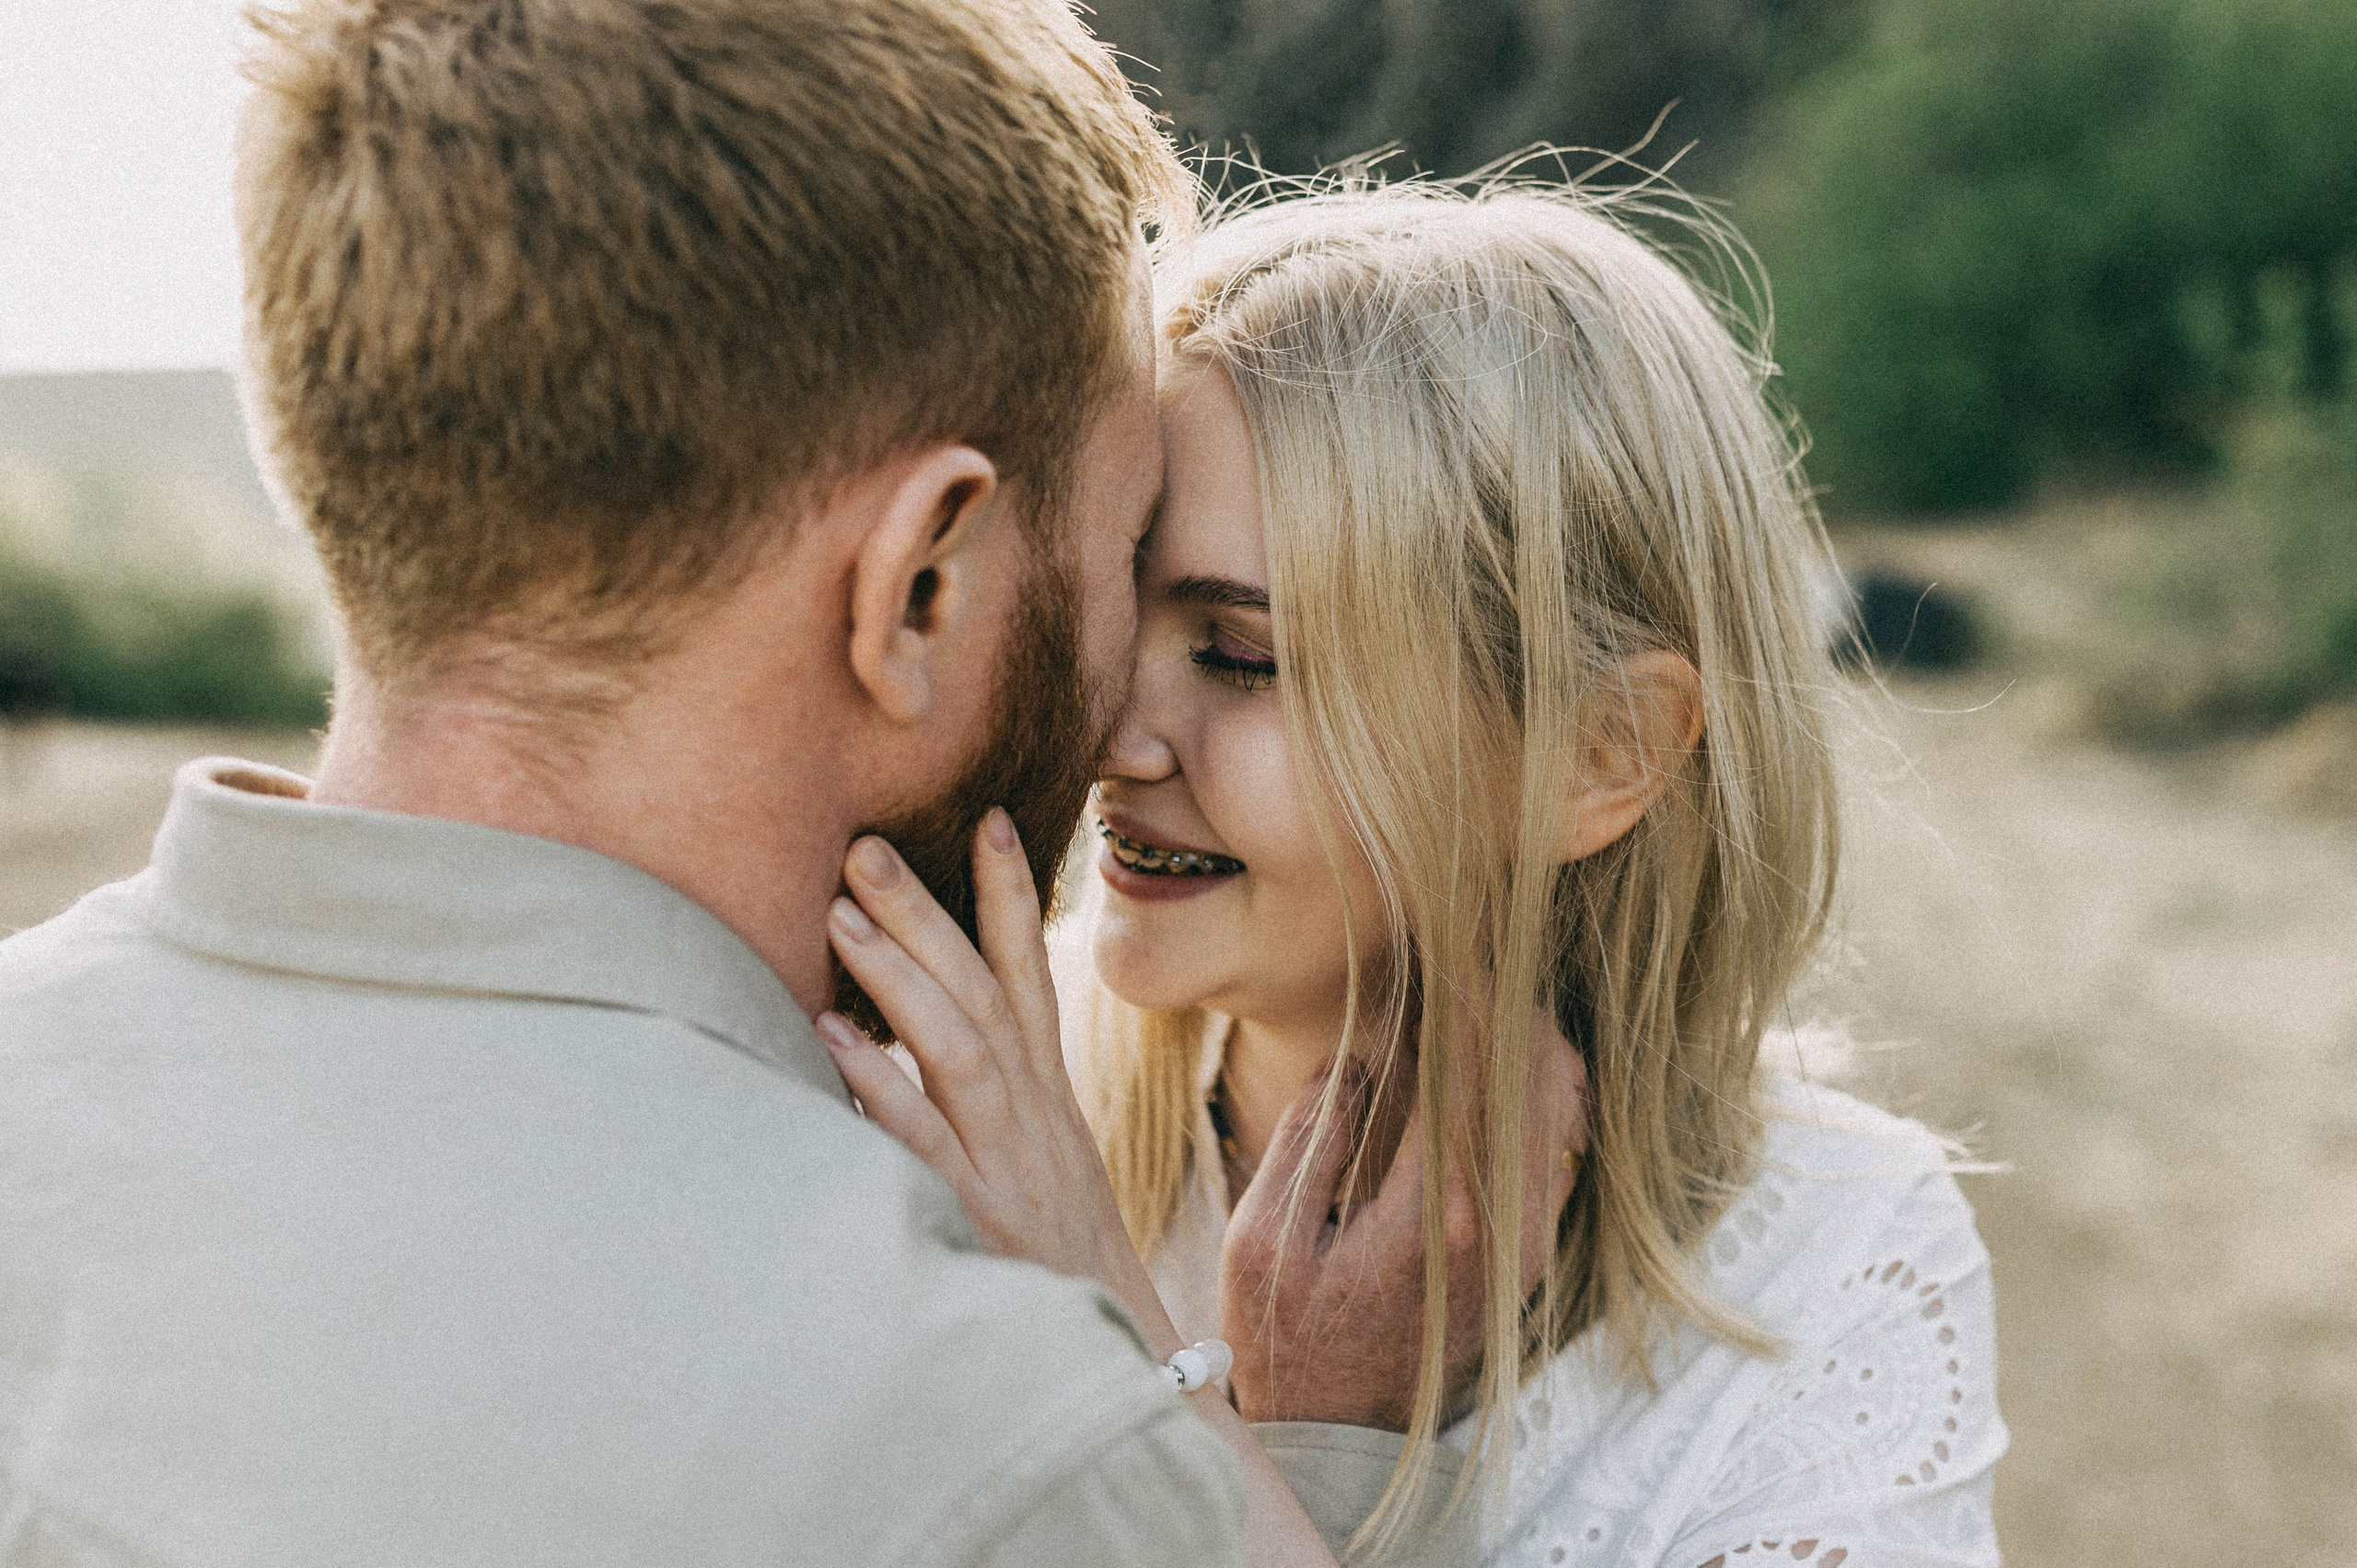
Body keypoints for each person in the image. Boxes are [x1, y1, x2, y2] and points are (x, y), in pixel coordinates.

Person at [0, 5, 1474, 1563]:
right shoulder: (975, 1441)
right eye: (1121, 553)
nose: (1128, 717)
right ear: (917, 587)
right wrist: (1275, 1479)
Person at [821, 176, 2008, 1567]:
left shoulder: (1836, 1264)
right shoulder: (953, 1110)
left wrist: (1146, 1356)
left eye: (1242, 657)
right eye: (1116, 612)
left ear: (1600, 752)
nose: (1112, 736)